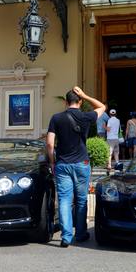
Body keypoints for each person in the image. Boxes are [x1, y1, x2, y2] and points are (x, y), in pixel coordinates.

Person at [46, 86, 105, 248]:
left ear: (65, 102)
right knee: (81, 200)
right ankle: (80, 234)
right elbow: (102, 107)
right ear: (79, 102)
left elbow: (50, 143)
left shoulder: (56, 118)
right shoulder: (86, 117)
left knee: (64, 200)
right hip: (82, 163)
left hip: (63, 164)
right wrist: (85, 95)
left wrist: (52, 161)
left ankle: (66, 237)